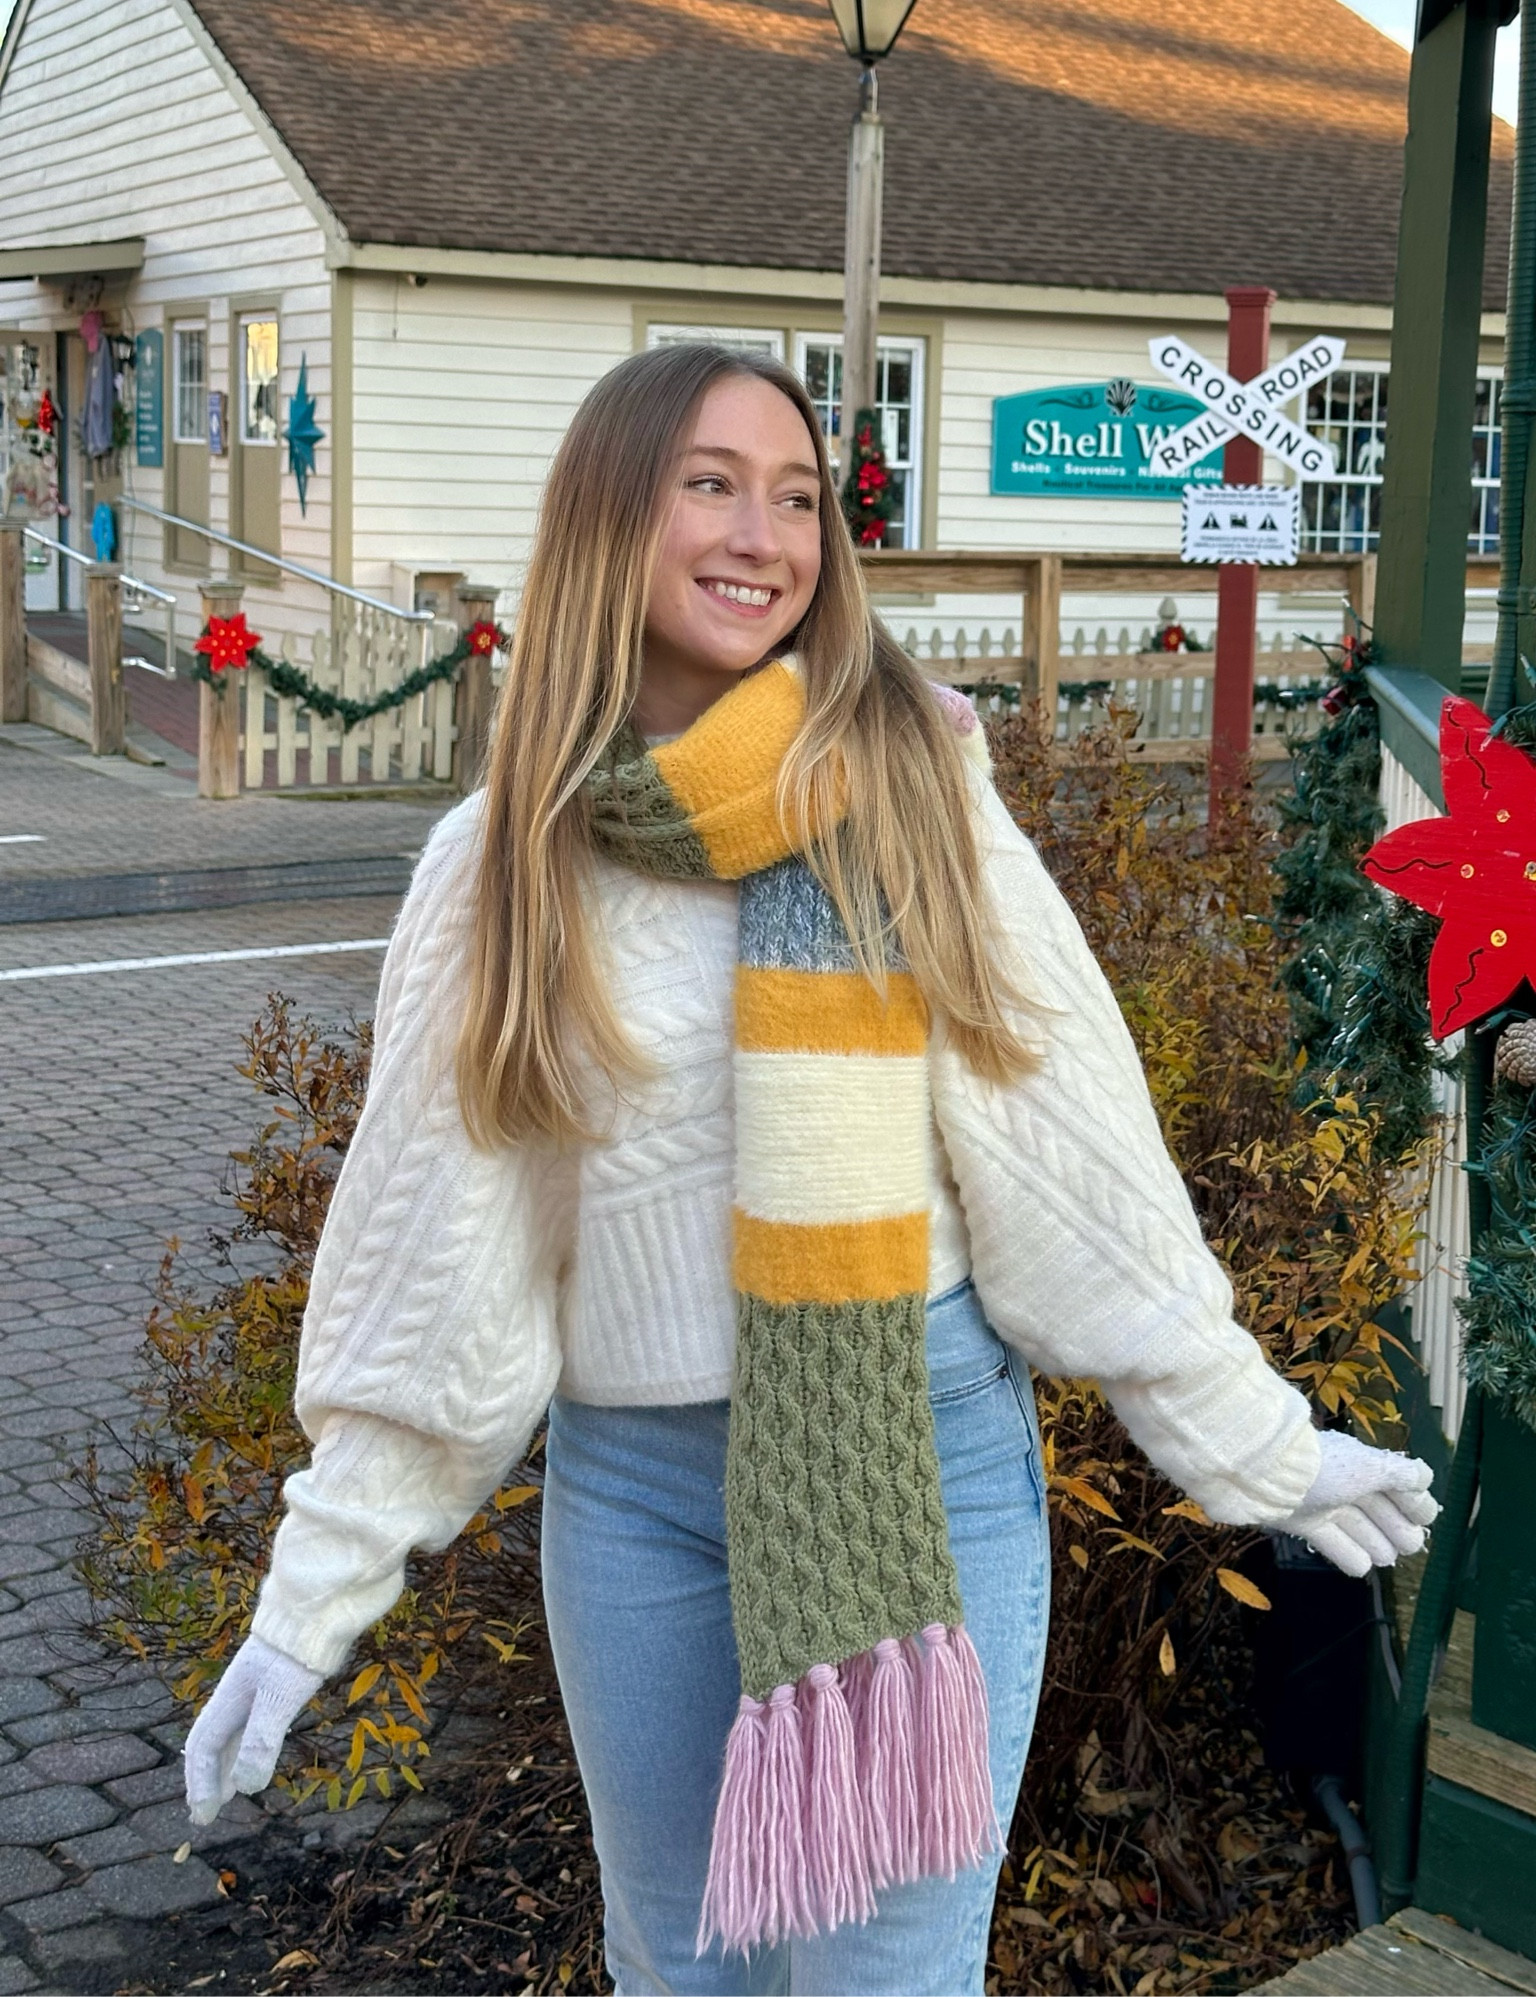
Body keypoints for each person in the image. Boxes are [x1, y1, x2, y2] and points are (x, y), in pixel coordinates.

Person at [182, 344, 1437, 1997]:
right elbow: (440, 1258)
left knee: (888, 1979)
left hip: (921, 1467)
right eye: (710, 481)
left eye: (797, 498)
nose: (763, 533)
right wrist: (308, 1598)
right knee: (680, 1968)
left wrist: (1254, 1439)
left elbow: (1064, 1141)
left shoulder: (912, 784)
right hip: (633, 1501)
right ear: (609, 517)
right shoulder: (501, 865)